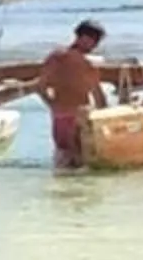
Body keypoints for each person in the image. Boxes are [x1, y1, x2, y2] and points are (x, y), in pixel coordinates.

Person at [35, 18, 108, 164]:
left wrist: (52, 106)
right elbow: (98, 96)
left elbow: (40, 87)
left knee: (63, 160)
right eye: (95, 41)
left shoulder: (55, 58)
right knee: (82, 162)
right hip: (80, 118)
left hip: (60, 116)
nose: (95, 46)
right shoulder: (86, 64)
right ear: (85, 38)